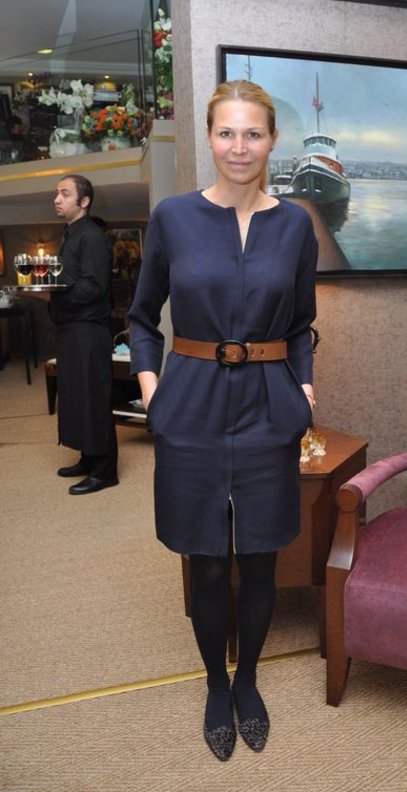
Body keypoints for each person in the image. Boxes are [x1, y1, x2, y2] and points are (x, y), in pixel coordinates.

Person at [128, 79, 318, 761]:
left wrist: (304, 388)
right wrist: (154, 391)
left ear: (272, 141)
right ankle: (216, 683)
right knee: (207, 565)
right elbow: (141, 318)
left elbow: (301, 324)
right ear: (209, 138)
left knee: (260, 560)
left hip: (269, 406)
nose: (240, 147)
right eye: (227, 133)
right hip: (192, 405)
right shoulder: (173, 218)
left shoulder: (295, 224)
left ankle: (248, 680)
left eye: (253, 134)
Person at [47, 174, 118, 495]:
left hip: (88, 332)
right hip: (72, 330)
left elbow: (94, 287)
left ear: (84, 201)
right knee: (77, 397)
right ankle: (89, 459)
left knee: (93, 399)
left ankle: (105, 471)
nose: (56, 199)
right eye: (56, 194)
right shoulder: (71, 235)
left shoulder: (91, 237)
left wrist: (52, 295)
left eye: (64, 193)